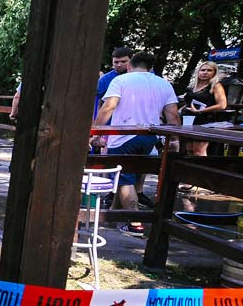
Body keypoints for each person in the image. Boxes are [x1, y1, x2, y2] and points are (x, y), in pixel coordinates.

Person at [91, 51, 181, 236]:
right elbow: (172, 114)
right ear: (151, 67)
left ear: (130, 65)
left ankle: (135, 223)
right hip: (149, 136)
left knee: (124, 179)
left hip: (123, 136)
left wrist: (95, 132)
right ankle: (115, 215)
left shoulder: (121, 81)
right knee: (132, 174)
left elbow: (108, 107)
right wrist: (174, 139)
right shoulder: (163, 84)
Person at [179, 61, 228, 157]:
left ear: (214, 73)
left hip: (205, 121)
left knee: (198, 150)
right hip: (189, 120)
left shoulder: (216, 86)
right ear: (198, 71)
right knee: (189, 148)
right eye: (203, 70)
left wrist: (201, 111)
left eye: (209, 70)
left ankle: (200, 170)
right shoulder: (192, 86)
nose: (205, 72)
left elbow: (222, 105)